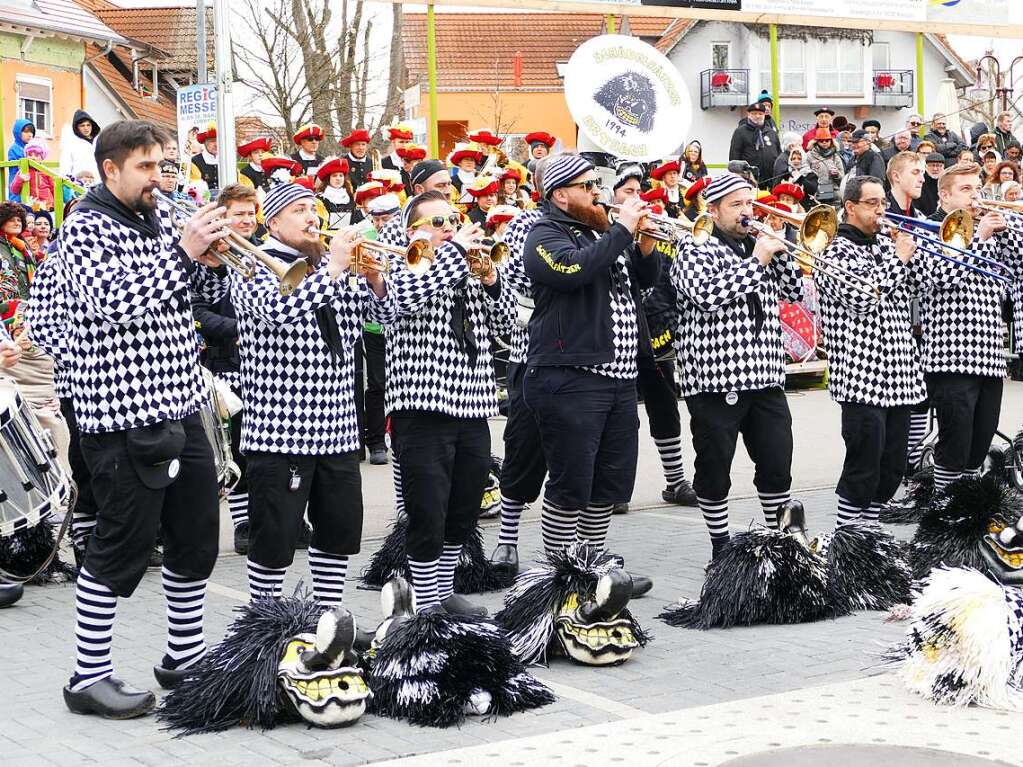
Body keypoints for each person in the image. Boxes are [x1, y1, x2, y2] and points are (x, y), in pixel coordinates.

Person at [33, 119, 228, 718]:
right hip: (120, 414)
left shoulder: (160, 220)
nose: (158, 177)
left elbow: (184, 294)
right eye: (145, 166)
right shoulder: (84, 230)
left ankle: (183, 657)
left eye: (161, 164)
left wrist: (208, 259)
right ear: (110, 169)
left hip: (179, 403)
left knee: (194, 539)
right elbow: (114, 302)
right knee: (120, 546)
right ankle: (87, 676)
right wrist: (182, 253)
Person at [231, 181, 392, 610]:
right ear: (274, 221)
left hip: (338, 427)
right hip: (281, 430)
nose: (312, 217)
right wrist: (334, 269)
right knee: (274, 539)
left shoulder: (330, 265)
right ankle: (262, 622)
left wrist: (374, 278)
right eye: (300, 209)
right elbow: (279, 311)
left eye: (313, 209)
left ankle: (328, 617)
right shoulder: (252, 264)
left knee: (336, 532)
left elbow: (385, 315)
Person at [522, 153, 660, 566]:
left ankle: (591, 562)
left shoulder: (601, 234)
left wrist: (646, 249)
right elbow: (572, 271)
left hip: (618, 379)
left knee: (608, 483)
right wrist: (621, 231)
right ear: (561, 195)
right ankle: (560, 572)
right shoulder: (544, 234)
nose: (598, 194)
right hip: (570, 376)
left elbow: (641, 284)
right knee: (571, 484)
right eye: (588, 187)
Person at [385, 190, 514, 615]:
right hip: (422, 406)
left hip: (473, 405)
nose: (448, 229)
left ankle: (442, 593)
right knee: (428, 510)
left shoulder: (465, 267)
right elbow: (404, 299)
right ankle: (425, 600)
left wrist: (492, 280)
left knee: (462, 508)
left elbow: (506, 324)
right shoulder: (403, 264)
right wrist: (454, 252)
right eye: (436, 223)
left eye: (451, 220)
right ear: (413, 231)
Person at [670, 173, 803, 560]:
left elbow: (794, 295)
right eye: (736, 205)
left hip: (765, 376)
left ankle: (779, 545)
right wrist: (759, 260)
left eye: (749, 203)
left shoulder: (755, 247)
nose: (747, 212)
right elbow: (709, 296)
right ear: (712, 210)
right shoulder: (694, 248)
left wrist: (780, 255)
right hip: (715, 378)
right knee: (715, 468)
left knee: (777, 461)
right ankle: (720, 547)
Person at [817, 176, 923, 526]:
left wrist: (909, 253)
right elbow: (864, 297)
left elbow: (914, 288)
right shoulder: (834, 252)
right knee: (864, 463)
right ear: (850, 207)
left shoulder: (883, 244)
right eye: (872, 203)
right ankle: (848, 540)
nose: (881, 210)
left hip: (899, 374)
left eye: (883, 202)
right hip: (862, 376)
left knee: (891, 466)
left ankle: (870, 536)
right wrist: (898, 259)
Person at [920, 162, 1023, 494]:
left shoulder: (987, 228)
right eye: (966, 190)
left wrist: (1004, 231)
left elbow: (1017, 266)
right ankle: (942, 520)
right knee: (954, 445)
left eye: (977, 189)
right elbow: (943, 277)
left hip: (989, 356)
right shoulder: (928, 230)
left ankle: (966, 521)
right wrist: (979, 239)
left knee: (979, 444)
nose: (975, 196)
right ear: (945, 195)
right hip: (950, 357)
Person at [616, 169, 698, 509]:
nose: (635, 196)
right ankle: (615, 489)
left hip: (656, 333)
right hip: (616, 337)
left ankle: (676, 480)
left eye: (638, 190)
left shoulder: (655, 231)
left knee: (665, 409)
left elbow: (663, 282)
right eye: (627, 191)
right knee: (620, 416)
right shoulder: (604, 232)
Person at [191, 184, 260, 555]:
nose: (246, 220)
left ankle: (280, 516)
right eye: (239, 213)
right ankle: (242, 523)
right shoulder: (205, 256)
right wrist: (237, 330)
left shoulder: (261, 250)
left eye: (251, 212)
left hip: (263, 365)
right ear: (223, 216)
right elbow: (195, 311)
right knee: (234, 450)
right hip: (222, 363)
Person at [729, 102, 780, 189]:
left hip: (771, 180)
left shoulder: (771, 132)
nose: (757, 116)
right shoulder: (740, 132)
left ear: (764, 115)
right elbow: (734, 157)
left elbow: (779, 153)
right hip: (748, 180)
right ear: (748, 114)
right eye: (754, 113)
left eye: (760, 114)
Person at [10, 138, 58, 209]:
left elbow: (53, 188)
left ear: (42, 157)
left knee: (46, 218)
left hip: (47, 205)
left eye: (36, 155)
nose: (33, 158)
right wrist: (20, 179)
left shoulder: (46, 171)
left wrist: (55, 204)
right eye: (30, 155)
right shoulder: (24, 171)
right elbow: (14, 190)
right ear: (26, 156)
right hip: (32, 205)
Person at [58, 110, 100, 181]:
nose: (86, 128)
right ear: (77, 128)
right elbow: (65, 168)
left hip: (98, 184)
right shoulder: (70, 144)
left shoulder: (98, 142)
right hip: (79, 185)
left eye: (88, 125)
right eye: (82, 125)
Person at [807, 128, 844, 206]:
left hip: (835, 195)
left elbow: (842, 179)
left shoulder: (835, 156)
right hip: (816, 195)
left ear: (831, 141)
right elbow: (806, 175)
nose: (824, 142)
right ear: (816, 142)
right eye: (821, 140)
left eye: (827, 140)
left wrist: (837, 175)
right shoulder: (809, 156)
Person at [315, 158, 354, 231]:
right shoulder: (320, 199)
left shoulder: (350, 198)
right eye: (334, 176)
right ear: (328, 178)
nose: (338, 178)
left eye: (341, 175)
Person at [886, 151, 925, 218]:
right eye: (915, 172)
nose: (922, 179)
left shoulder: (920, 218)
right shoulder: (878, 215)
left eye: (922, 173)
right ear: (896, 176)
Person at [7, 119, 35, 200]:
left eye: (31, 132)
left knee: (32, 207)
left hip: (30, 186)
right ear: (18, 133)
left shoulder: (32, 148)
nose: (30, 134)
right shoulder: (14, 148)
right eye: (26, 132)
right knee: (18, 208)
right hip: (17, 185)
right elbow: (14, 169)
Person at [189, 124, 219, 192]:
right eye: (212, 141)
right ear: (205, 143)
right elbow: (196, 186)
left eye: (218, 140)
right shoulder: (196, 161)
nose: (216, 145)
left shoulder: (226, 160)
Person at [918, 152, 944, 216]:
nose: (935, 169)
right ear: (925, 166)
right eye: (932, 165)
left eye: (938, 165)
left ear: (943, 167)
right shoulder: (919, 182)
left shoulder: (947, 182)